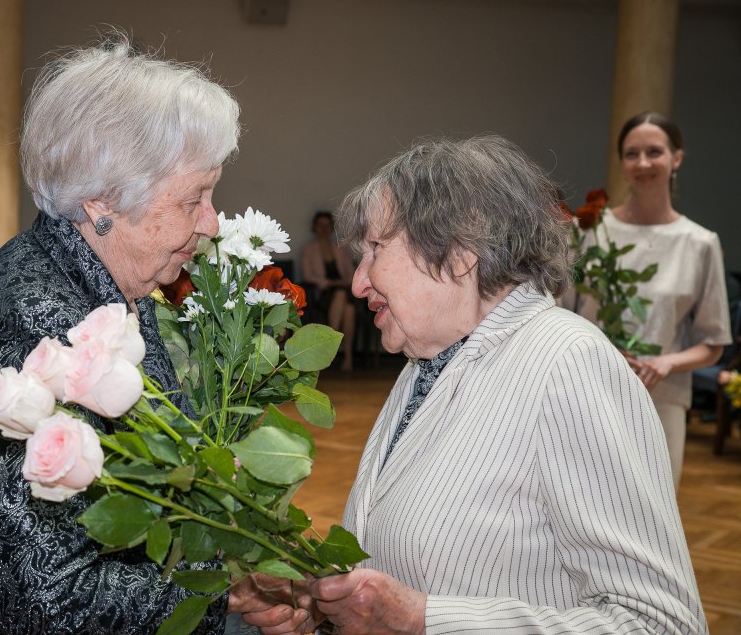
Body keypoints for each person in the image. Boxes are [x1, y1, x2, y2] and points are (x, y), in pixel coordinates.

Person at [0, 37, 296, 634]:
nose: (211, 223)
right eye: (194, 198)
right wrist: (225, 594)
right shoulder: (37, 329)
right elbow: (52, 601)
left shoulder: (99, 285)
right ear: (103, 202)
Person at [243, 135, 707, 634]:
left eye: (375, 248)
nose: (358, 282)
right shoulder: (429, 361)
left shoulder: (568, 363)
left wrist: (425, 621)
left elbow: (662, 624)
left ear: (460, 250)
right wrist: (321, 604)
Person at [572, 111, 731, 486]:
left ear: (676, 158)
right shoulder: (591, 233)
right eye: (631, 153)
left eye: (654, 152)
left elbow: (713, 343)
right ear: (622, 161)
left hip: (662, 400)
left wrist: (664, 363)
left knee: (654, 519)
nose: (642, 163)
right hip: (587, 393)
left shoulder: (700, 244)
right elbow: (558, 315)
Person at [302, 211, 357, 370]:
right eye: (321, 225)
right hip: (322, 294)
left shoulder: (340, 248)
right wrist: (325, 282)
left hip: (343, 290)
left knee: (349, 307)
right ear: (314, 228)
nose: (324, 229)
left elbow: (351, 275)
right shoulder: (309, 249)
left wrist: (341, 282)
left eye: (327, 225)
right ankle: (343, 356)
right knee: (346, 304)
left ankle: (335, 353)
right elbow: (307, 275)